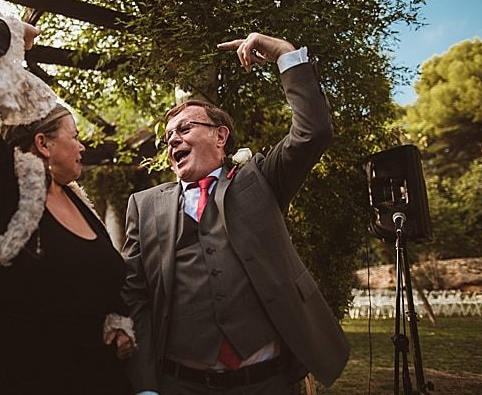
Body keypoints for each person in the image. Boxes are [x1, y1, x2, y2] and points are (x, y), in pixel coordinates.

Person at [121, 33, 350, 394]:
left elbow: (313, 132)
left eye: (184, 129)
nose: (173, 141)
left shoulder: (258, 180)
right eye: (168, 137)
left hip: (267, 382)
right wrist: (145, 385)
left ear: (220, 136)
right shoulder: (144, 205)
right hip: (180, 383)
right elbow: (134, 295)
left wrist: (285, 56)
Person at [0, 14, 133, 394]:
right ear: (44, 144)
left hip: (87, 376)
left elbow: (105, 280)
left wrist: (117, 321)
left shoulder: (81, 206)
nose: (82, 147)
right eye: (74, 137)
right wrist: (11, 31)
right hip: (8, 374)